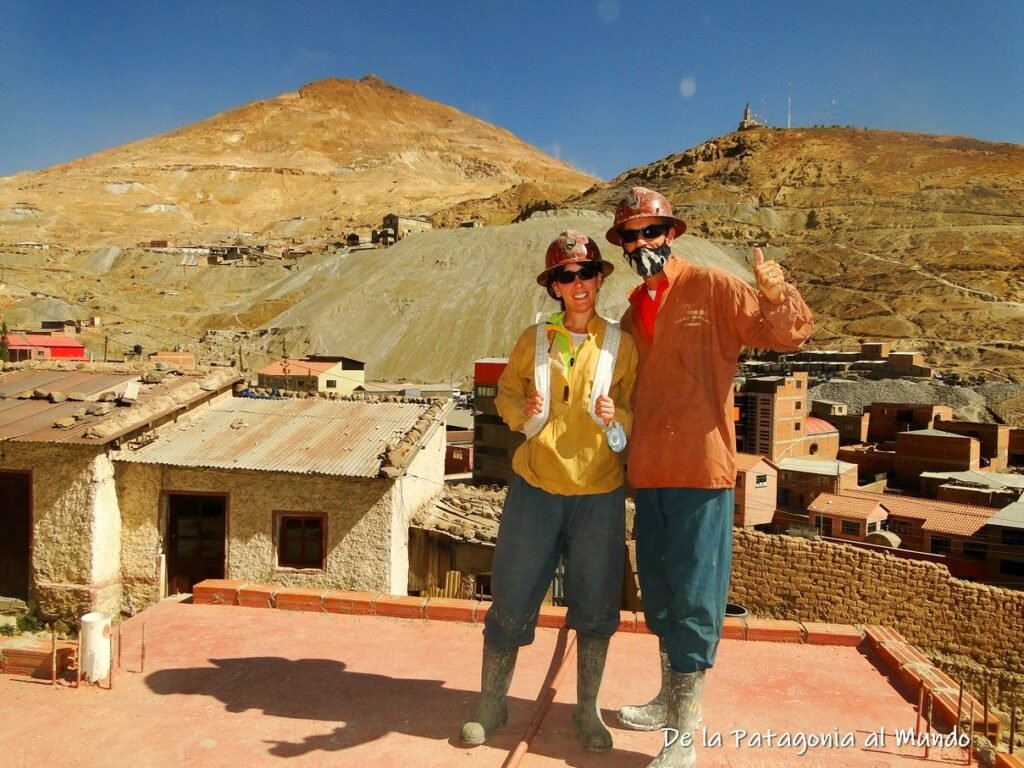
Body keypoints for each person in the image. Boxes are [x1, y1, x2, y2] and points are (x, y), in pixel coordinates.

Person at [608, 188, 813, 767]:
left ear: (671, 233)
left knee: (697, 598)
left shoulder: (714, 288)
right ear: (622, 244)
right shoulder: (630, 310)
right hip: (649, 470)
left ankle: (684, 733)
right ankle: (666, 700)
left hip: (701, 469)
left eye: (652, 231)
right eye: (631, 234)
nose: (642, 242)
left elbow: (787, 333)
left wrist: (777, 292)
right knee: (662, 590)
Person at [461, 230, 638, 752]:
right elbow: (506, 394)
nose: (578, 283)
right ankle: (491, 703)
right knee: (512, 595)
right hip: (535, 488)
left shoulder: (620, 345)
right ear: (554, 287)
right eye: (566, 275)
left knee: (597, 606)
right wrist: (524, 412)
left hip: (599, 493)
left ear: (600, 278)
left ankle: (587, 712)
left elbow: (633, 410)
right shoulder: (531, 341)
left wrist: (617, 415)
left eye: (586, 273)